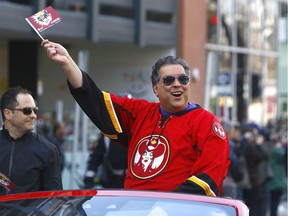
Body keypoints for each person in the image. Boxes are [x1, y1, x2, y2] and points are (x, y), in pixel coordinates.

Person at [41, 39, 230, 196]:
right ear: (156, 88)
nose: (177, 85)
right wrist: (67, 63)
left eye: (183, 79)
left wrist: (169, 207)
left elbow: (210, 176)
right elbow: (96, 101)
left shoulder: (206, 122)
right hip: (132, 207)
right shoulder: (141, 112)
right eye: (169, 80)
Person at [0, 86, 63, 195]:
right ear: (8, 114)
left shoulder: (48, 150)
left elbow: (54, 199)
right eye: (27, 110)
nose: (33, 115)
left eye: (35, 110)